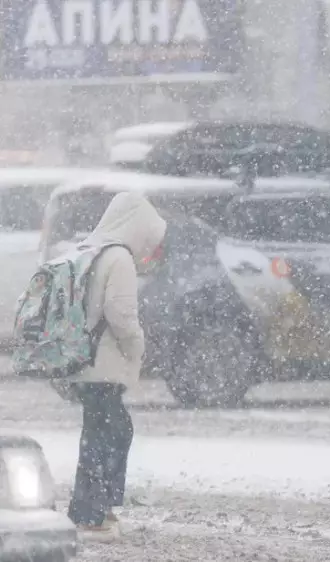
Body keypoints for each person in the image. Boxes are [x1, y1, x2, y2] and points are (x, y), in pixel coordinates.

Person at [65, 192, 166, 539]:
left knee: (105, 432)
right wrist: (137, 346)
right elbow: (121, 314)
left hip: (84, 361)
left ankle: (95, 509)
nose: (148, 248)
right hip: (103, 363)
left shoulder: (89, 250)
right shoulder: (119, 257)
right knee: (107, 435)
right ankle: (91, 514)